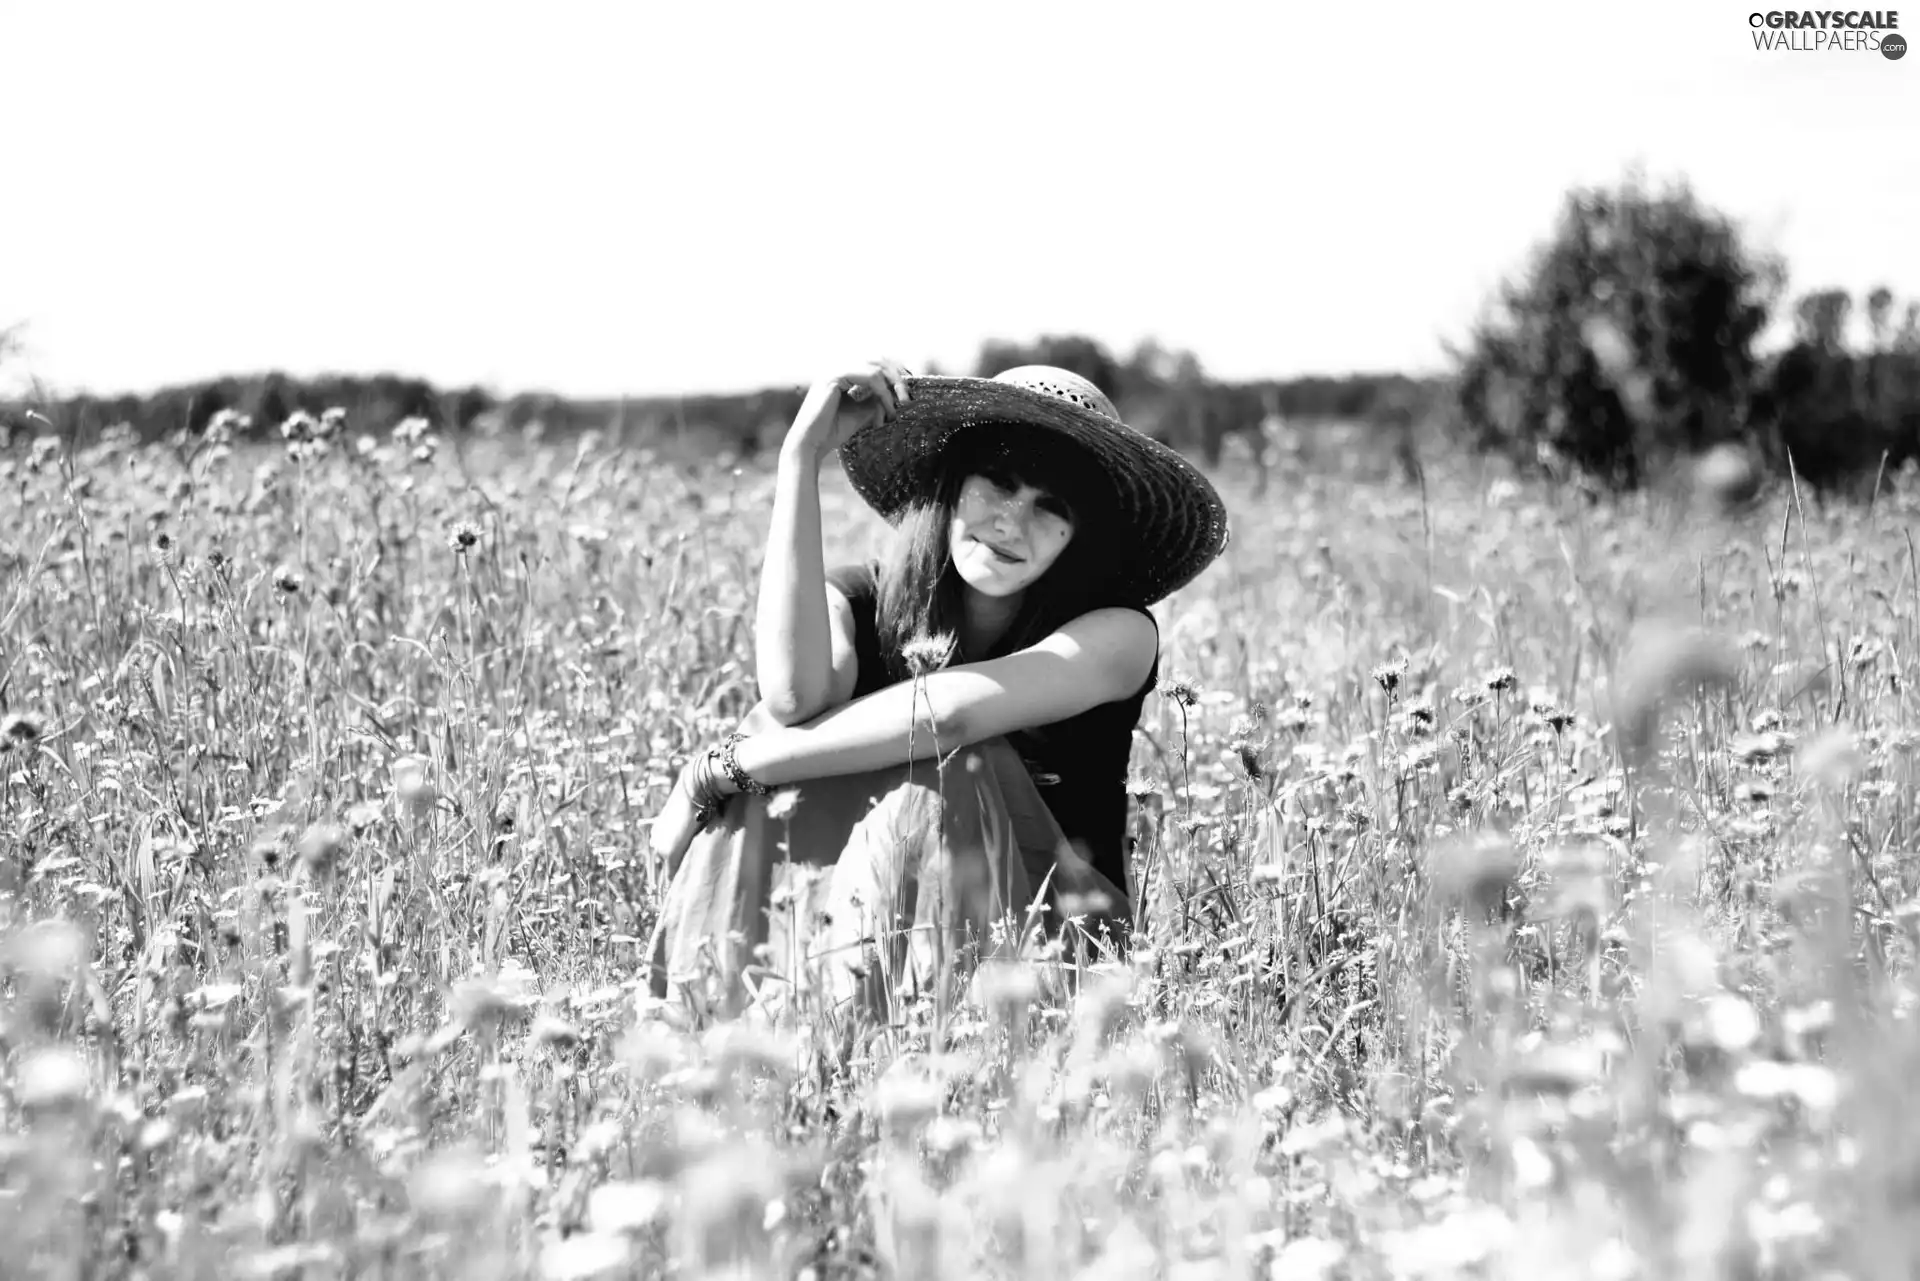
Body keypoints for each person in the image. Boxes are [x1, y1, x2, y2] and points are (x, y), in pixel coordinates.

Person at [645, 358, 1230, 1022]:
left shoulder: (1118, 632)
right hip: (859, 916)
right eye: (999, 482)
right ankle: (716, 1018)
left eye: (1052, 507)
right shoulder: (864, 597)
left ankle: (871, 1042)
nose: (1012, 521)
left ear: (1083, 534)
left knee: (947, 775)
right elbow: (791, 700)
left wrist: (714, 770)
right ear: (953, 485)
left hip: (1050, 939)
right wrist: (800, 459)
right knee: (779, 753)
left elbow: (947, 716)